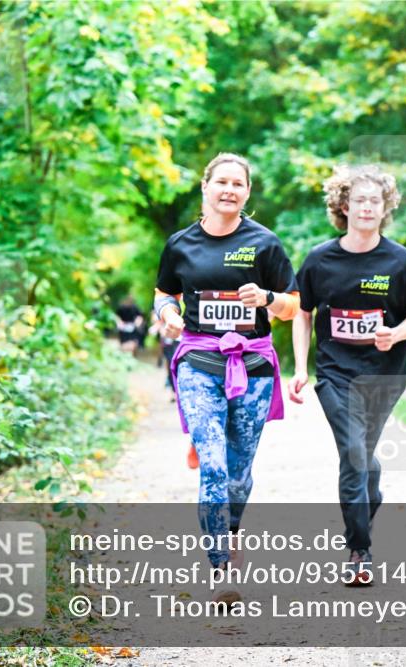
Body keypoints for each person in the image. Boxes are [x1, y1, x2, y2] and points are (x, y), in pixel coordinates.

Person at [154, 152, 299, 579]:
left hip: (251, 365)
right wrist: (167, 314)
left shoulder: (265, 243)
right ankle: (221, 567)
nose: (229, 190)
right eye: (222, 182)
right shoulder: (181, 244)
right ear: (205, 187)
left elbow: (293, 306)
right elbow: (163, 292)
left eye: (238, 184)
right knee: (214, 465)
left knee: (238, 471)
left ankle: (231, 531)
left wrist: (268, 300)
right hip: (198, 362)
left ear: (247, 192)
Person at [288, 165, 406, 585]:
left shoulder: (401, 261)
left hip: (385, 376)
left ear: (385, 208)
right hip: (334, 374)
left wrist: (394, 333)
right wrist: (299, 367)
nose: (367, 207)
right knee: (354, 454)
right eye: (359, 200)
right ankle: (359, 551)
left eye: (375, 201)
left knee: (365, 464)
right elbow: (302, 313)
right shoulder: (319, 259)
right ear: (344, 206)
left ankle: (368, 500)